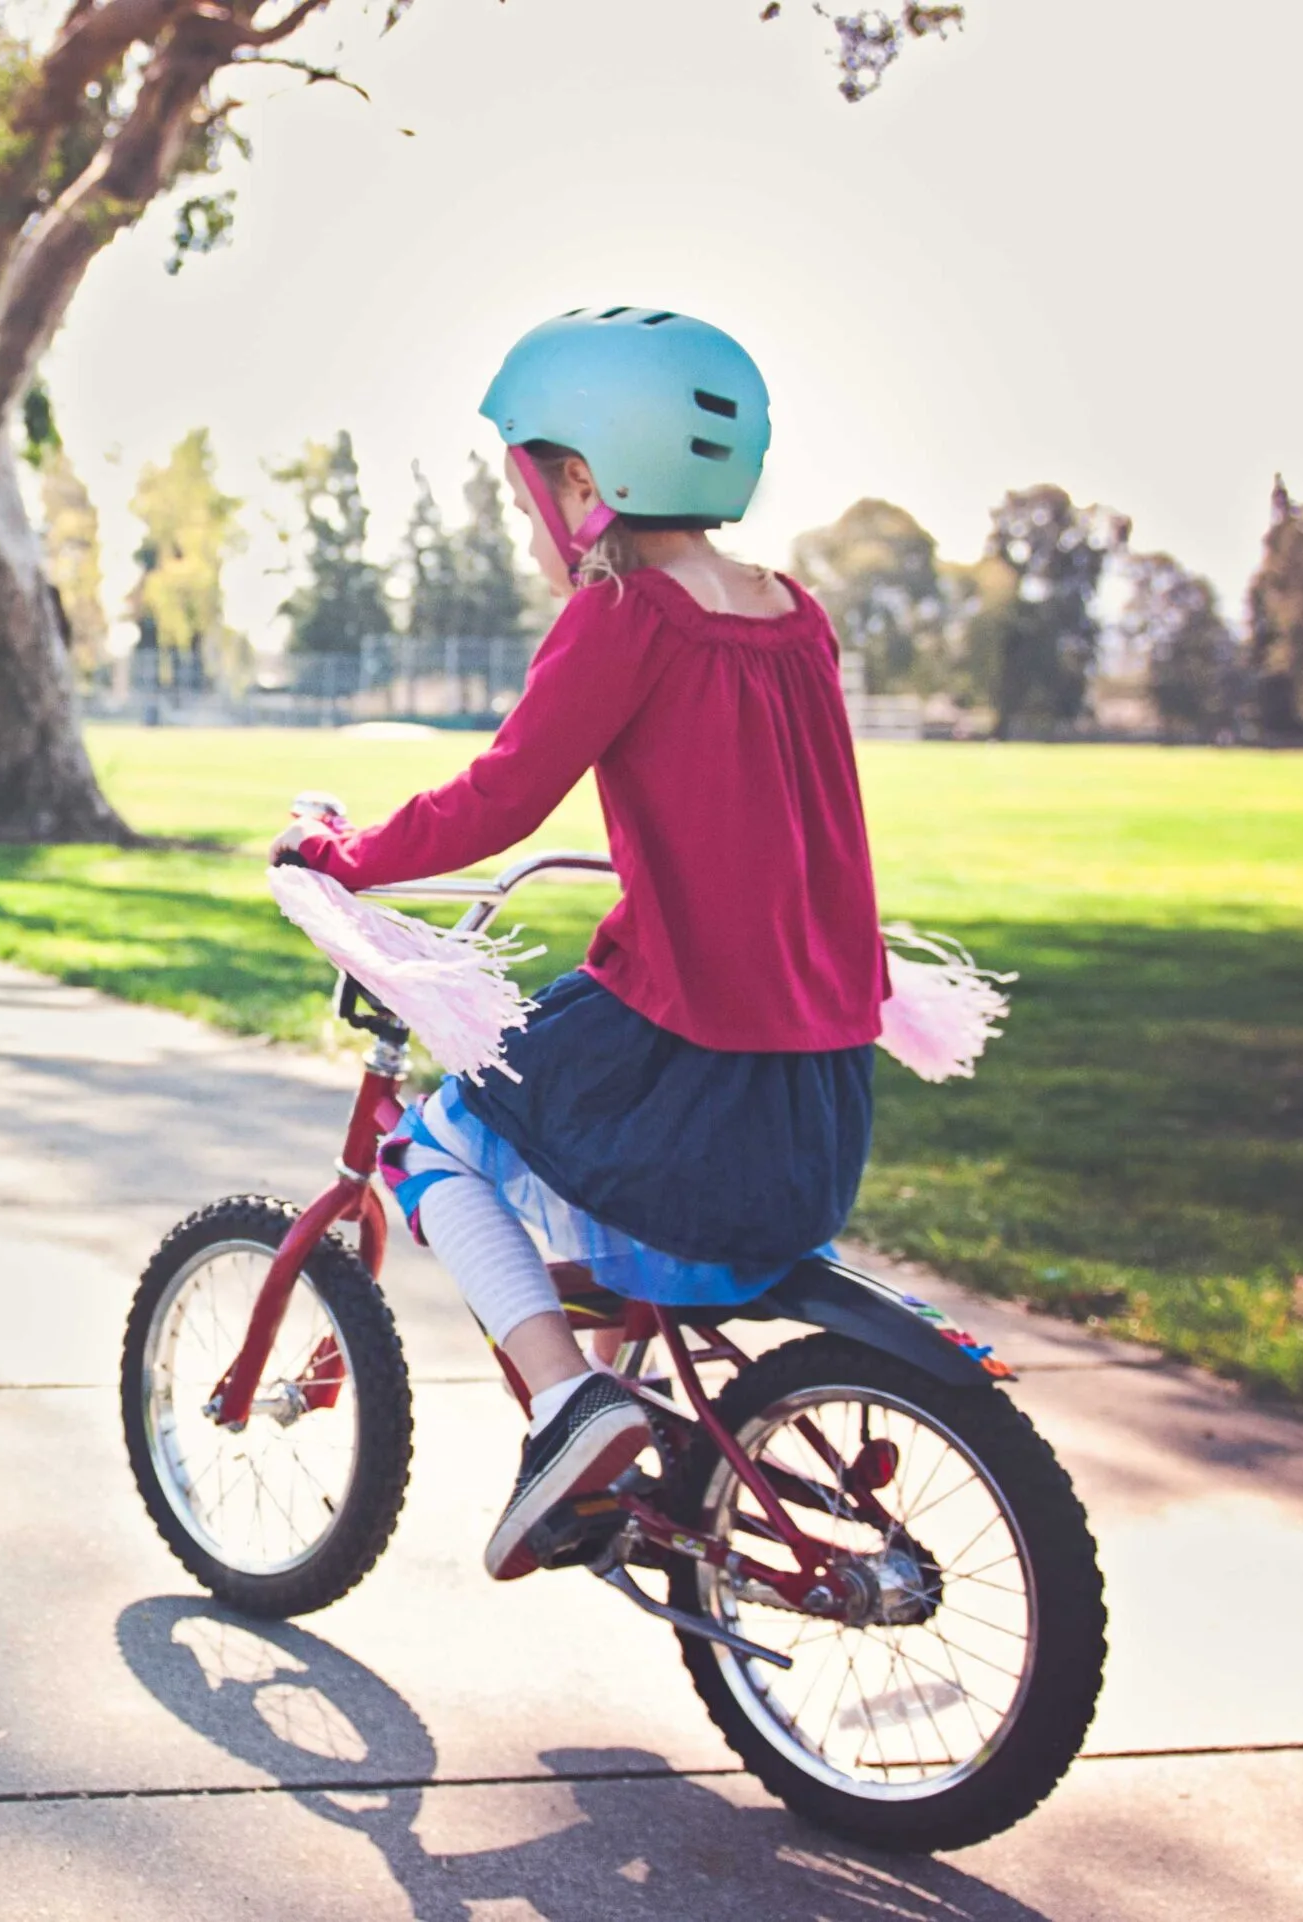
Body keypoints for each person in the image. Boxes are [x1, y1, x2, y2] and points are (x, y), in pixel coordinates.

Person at [272, 309, 885, 1581]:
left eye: (532, 489)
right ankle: (625, 1455)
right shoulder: (794, 614)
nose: (534, 520)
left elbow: (498, 798)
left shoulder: (630, 617)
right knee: (587, 1157)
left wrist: (338, 853)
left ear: (584, 482)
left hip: (691, 1050)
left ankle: (568, 1399)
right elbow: (776, 815)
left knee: (430, 1141)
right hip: (818, 1085)